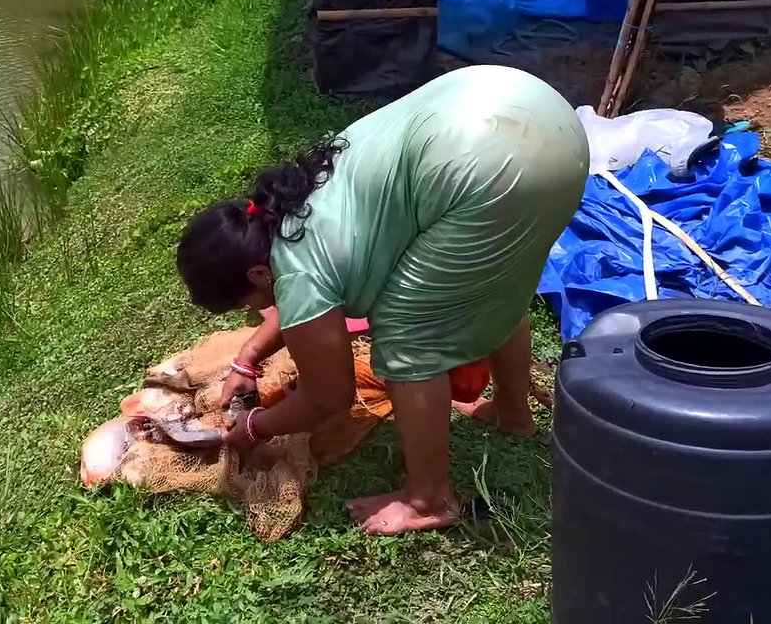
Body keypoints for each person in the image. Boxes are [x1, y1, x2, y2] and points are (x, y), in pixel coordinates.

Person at [176, 65, 590, 535]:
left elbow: (328, 395)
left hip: (494, 170)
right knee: (490, 285)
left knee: (405, 338)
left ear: (257, 272)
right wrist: (250, 358)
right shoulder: (292, 202)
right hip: (545, 122)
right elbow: (303, 305)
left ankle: (429, 500)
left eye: (250, 301)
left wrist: (253, 427)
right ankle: (513, 414)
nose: (258, 311)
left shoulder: (298, 267)